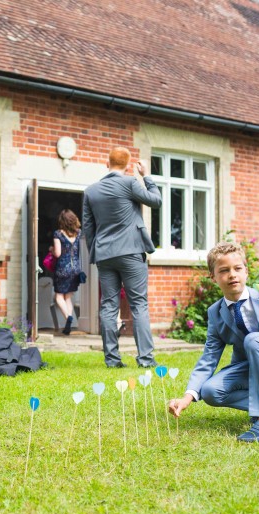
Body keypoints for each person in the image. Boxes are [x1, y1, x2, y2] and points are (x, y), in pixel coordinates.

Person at [167, 242, 259, 442]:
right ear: (213, 277)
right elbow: (209, 357)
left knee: (254, 339)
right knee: (210, 391)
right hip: (250, 370)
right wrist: (187, 397)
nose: (232, 275)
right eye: (224, 270)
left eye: (237, 269)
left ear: (246, 271)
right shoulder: (215, 313)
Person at [82, 147, 161, 368]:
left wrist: (95, 253)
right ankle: (145, 359)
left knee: (108, 305)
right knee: (139, 305)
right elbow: (156, 201)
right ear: (128, 166)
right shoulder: (130, 183)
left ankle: (112, 360)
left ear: (107, 164)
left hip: (105, 254)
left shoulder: (91, 191)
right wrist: (146, 176)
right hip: (131, 251)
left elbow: (88, 228)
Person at [52, 209, 83, 335]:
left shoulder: (58, 234)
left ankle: (68, 317)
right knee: (68, 297)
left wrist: (51, 250)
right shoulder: (79, 233)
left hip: (62, 269)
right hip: (75, 269)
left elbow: (58, 253)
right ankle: (67, 327)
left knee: (58, 296)